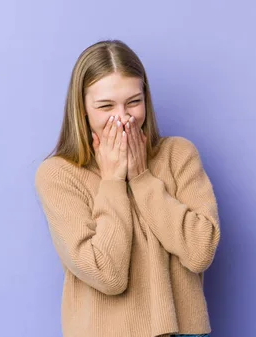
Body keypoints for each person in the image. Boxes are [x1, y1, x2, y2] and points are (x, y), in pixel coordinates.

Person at [34, 39, 220, 337]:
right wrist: (111, 182)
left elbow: (200, 252)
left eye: (133, 102)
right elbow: (108, 275)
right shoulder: (58, 175)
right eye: (105, 106)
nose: (123, 117)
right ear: (81, 108)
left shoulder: (178, 154)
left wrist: (142, 177)